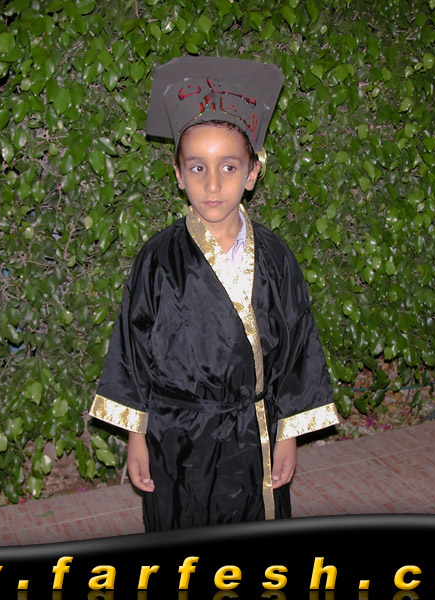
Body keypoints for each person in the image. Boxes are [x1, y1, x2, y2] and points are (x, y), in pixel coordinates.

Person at [89, 56, 339, 531]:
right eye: (197, 167)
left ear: (252, 172)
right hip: (175, 438)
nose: (212, 183)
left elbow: (297, 348)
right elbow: (132, 350)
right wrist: (136, 436)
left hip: (252, 436)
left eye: (228, 166)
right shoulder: (157, 258)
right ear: (178, 173)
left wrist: (287, 434)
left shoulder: (276, 259)